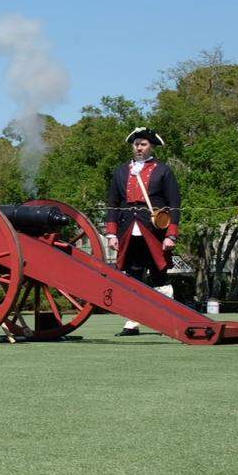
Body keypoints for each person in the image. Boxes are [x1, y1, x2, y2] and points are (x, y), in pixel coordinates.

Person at [104, 127, 181, 337]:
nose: (139, 148)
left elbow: (174, 203)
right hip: (128, 229)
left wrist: (171, 234)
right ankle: (133, 322)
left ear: (151, 147)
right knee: (133, 275)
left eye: (143, 144)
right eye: (136, 144)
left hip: (154, 230)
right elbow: (113, 203)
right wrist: (111, 233)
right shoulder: (121, 171)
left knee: (160, 274)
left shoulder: (163, 170)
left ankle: (169, 319)